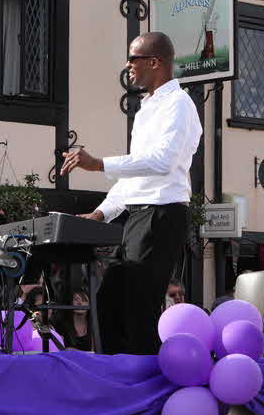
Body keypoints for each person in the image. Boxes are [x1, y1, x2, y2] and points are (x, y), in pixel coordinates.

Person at [61, 31, 202, 355]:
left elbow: (161, 162)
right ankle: (120, 381)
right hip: (140, 216)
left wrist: (98, 164)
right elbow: (136, 173)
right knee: (108, 303)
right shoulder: (146, 110)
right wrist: (102, 212)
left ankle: (143, 387)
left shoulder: (179, 105)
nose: (128, 66)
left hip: (162, 213)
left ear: (155, 62)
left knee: (138, 309)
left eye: (133, 59)